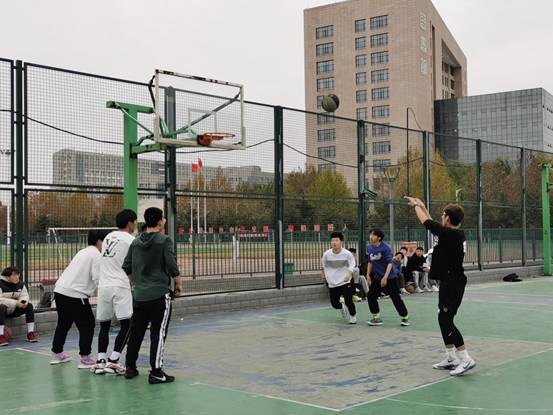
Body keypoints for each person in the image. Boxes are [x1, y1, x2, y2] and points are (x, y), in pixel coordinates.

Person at [404, 196, 475, 376]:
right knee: (442, 317)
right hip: (449, 281)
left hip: (453, 284)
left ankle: (465, 358)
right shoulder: (452, 233)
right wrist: (423, 206)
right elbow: (433, 224)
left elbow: (427, 223)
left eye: (443, 214)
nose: (441, 217)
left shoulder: (450, 234)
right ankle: (451, 358)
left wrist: (416, 206)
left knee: (446, 320)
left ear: (448, 218)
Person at [123, 207, 182, 384]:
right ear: (160, 222)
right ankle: (156, 371)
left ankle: (130, 367)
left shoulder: (135, 242)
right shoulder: (164, 241)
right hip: (159, 294)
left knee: (136, 331)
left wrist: (137, 283)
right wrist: (178, 283)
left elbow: (127, 267)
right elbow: (171, 265)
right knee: (158, 333)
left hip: (139, 295)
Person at [50, 230, 109, 367]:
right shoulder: (96, 255)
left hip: (60, 290)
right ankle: (85, 357)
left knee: (63, 323)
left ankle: (57, 354)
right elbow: (98, 278)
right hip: (75, 294)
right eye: (106, 241)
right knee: (87, 324)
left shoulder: (83, 251)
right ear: (99, 241)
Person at [92, 209, 137, 375]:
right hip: (120, 285)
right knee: (127, 324)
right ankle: (114, 360)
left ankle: (100, 361)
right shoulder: (131, 240)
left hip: (104, 286)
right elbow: (134, 263)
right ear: (130, 223)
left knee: (104, 325)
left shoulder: (108, 238)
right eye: (134, 222)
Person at [366, 229, 410, 326]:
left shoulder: (386, 248)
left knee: (395, 297)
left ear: (379, 238)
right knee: (371, 296)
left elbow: (390, 263)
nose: (371, 237)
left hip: (390, 277)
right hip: (377, 277)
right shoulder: (369, 247)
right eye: (370, 235)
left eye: (373, 235)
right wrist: (368, 275)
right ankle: (376, 318)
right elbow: (370, 262)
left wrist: (385, 277)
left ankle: (404, 317)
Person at [321, 232, 357, 324]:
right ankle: (341, 306)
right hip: (332, 283)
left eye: (336, 240)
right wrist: (323, 275)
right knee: (334, 304)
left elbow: (352, 264)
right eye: (332, 240)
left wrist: (349, 274)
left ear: (341, 242)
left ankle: (353, 316)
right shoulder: (326, 254)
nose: (334, 242)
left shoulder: (347, 254)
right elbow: (323, 266)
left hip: (345, 281)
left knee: (349, 301)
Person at [0, 267, 38, 346]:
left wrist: (23, 302)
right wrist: (15, 303)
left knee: (29, 306)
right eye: (14, 275)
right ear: (7, 277)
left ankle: (30, 333)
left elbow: (24, 296)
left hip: (13, 310)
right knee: (1, 307)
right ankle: (1, 335)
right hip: (2, 310)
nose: (17, 277)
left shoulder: (20, 284)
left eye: (18, 274)